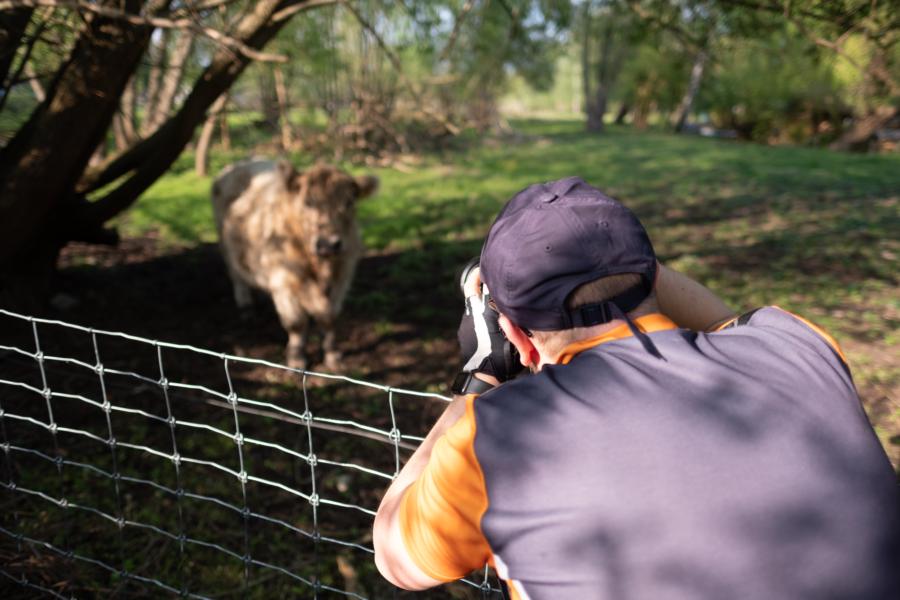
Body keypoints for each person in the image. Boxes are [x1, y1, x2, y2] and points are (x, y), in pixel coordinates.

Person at [372, 176, 900, 599]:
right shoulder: (798, 346)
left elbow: (395, 557)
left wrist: (481, 377)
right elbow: (729, 322)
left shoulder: (499, 440)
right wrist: (612, 256)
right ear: (650, 276)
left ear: (514, 335)